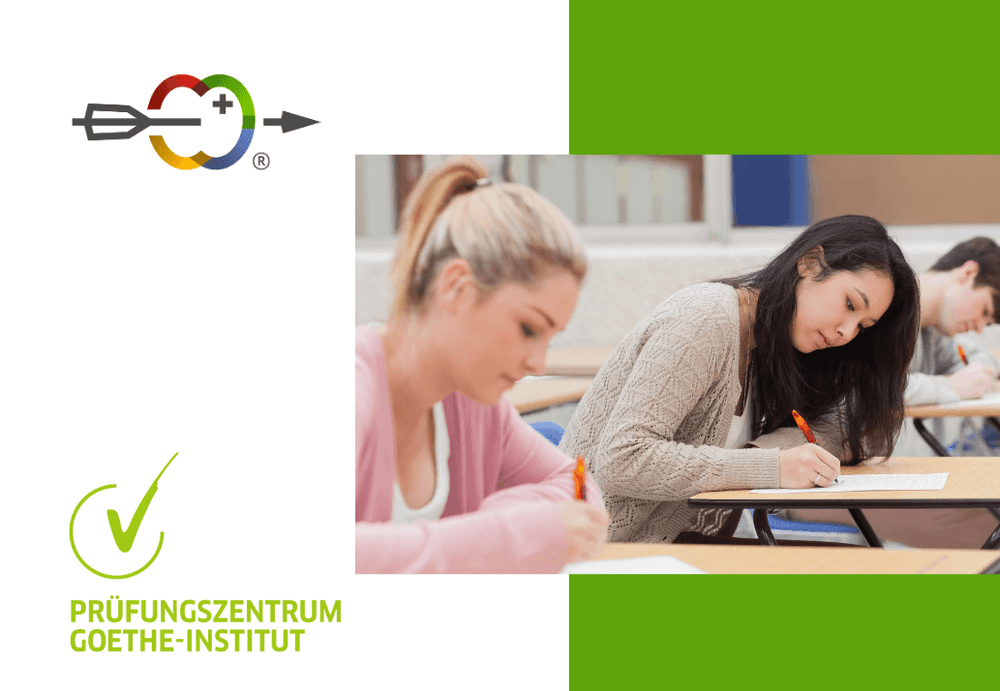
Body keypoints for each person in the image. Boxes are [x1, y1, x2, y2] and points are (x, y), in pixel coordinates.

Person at [559, 215, 920, 544]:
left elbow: (847, 426)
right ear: (810, 263)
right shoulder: (706, 320)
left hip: (682, 544)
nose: (846, 332)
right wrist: (769, 466)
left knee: (862, 557)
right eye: (850, 305)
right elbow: (623, 458)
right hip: (601, 547)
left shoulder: (781, 346)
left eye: (863, 326)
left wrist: (766, 453)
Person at [356, 156, 608, 573]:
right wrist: (505, 537)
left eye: (550, 338)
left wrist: (507, 517)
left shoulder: (476, 405)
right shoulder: (354, 384)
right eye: (529, 329)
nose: (537, 362)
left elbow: (580, 483)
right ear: (456, 287)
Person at [788, 237, 1000, 548]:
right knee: (987, 516)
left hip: (870, 476)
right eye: (985, 310)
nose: (980, 326)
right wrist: (950, 387)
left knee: (985, 507)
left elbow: (978, 358)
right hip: (826, 480)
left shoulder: (930, 332)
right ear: (968, 274)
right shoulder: (876, 315)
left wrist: (974, 375)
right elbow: (867, 386)